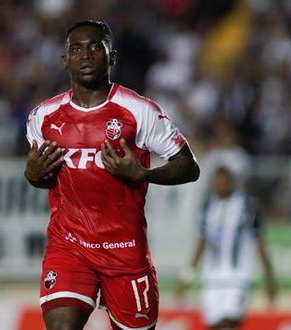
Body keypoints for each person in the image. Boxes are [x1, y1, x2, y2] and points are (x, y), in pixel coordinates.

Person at [23, 20, 200, 330]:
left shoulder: (139, 111)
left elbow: (189, 166)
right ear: (65, 60)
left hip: (125, 254)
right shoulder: (43, 118)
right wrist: (31, 174)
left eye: (96, 47)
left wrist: (142, 173)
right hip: (70, 246)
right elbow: (42, 177)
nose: (86, 55)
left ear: (112, 57)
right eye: (76, 49)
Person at [176, 166, 276, 330]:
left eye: (224, 180)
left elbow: (260, 242)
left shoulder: (248, 205)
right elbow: (202, 242)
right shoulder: (208, 206)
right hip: (212, 279)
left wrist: (269, 277)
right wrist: (187, 278)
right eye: (218, 180)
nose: (221, 184)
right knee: (214, 325)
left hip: (237, 278)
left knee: (229, 323)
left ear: (233, 182)